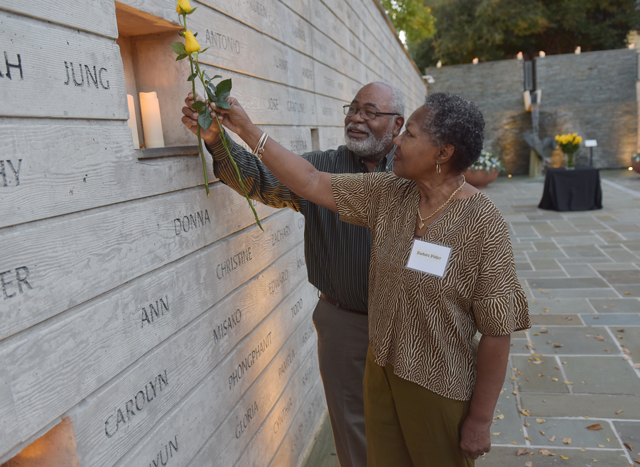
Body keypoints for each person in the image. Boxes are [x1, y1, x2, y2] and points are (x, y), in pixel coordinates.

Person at [199, 90, 531, 466]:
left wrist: (480, 419)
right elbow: (308, 181)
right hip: (381, 373)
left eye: (410, 135)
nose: (398, 141)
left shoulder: (483, 224)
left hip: (438, 384)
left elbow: (497, 330)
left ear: (443, 153)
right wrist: (244, 128)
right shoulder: (392, 193)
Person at [181, 82, 405, 467]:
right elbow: (260, 179)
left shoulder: (411, 171)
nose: (356, 118)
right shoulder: (318, 169)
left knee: (409, 426)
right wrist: (218, 140)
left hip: (408, 324)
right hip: (344, 325)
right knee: (353, 427)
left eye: (370, 111)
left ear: (398, 124)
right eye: (352, 109)